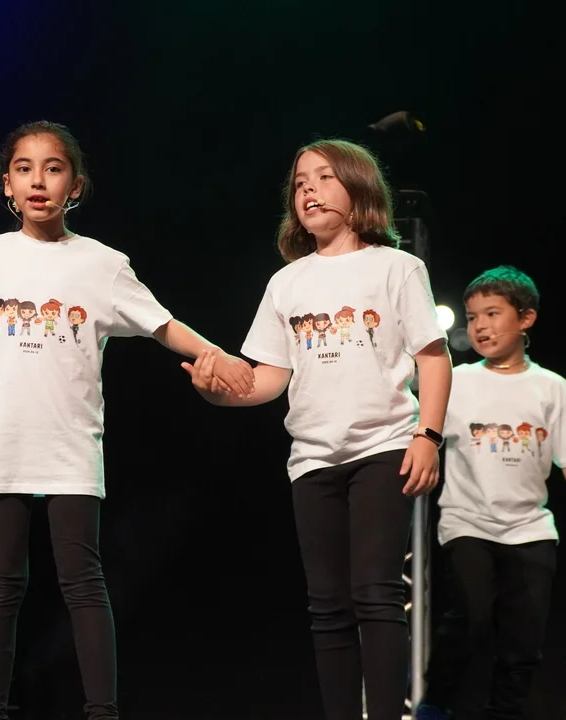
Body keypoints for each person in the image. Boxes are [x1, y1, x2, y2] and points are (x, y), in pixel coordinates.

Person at [0, 120, 255, 720]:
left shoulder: (103, 264)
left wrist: (217, 354)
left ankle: (102, 712)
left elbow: (162, 324)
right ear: (7, 184)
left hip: (69, 438)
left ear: (75, 185)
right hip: (0, 435)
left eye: (53, 169)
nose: (38, 181)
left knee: (81, 580)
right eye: (24, 169)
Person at [182, 138, 452, 720]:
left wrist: (427, 436)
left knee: (376, 594)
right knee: (327, 607)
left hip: (384, 446)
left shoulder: (397, 268)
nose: (309, 189)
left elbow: (434, 358)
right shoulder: (287, 283)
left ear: (358, 188)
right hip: (311, 459)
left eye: (324, 177)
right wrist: (214, 391)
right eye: (300, 182)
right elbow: (268, 378)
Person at [415, 266, 566, 720]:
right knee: (471, 617)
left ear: (526, 318)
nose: (480, 326)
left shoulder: (551, 388)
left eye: (492, 314)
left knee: (524, 638)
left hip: (530, 529)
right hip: (468, 522)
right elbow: (418, 425)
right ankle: (435, 704)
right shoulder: (457, 380)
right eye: (472, 317)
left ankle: (504, 712)